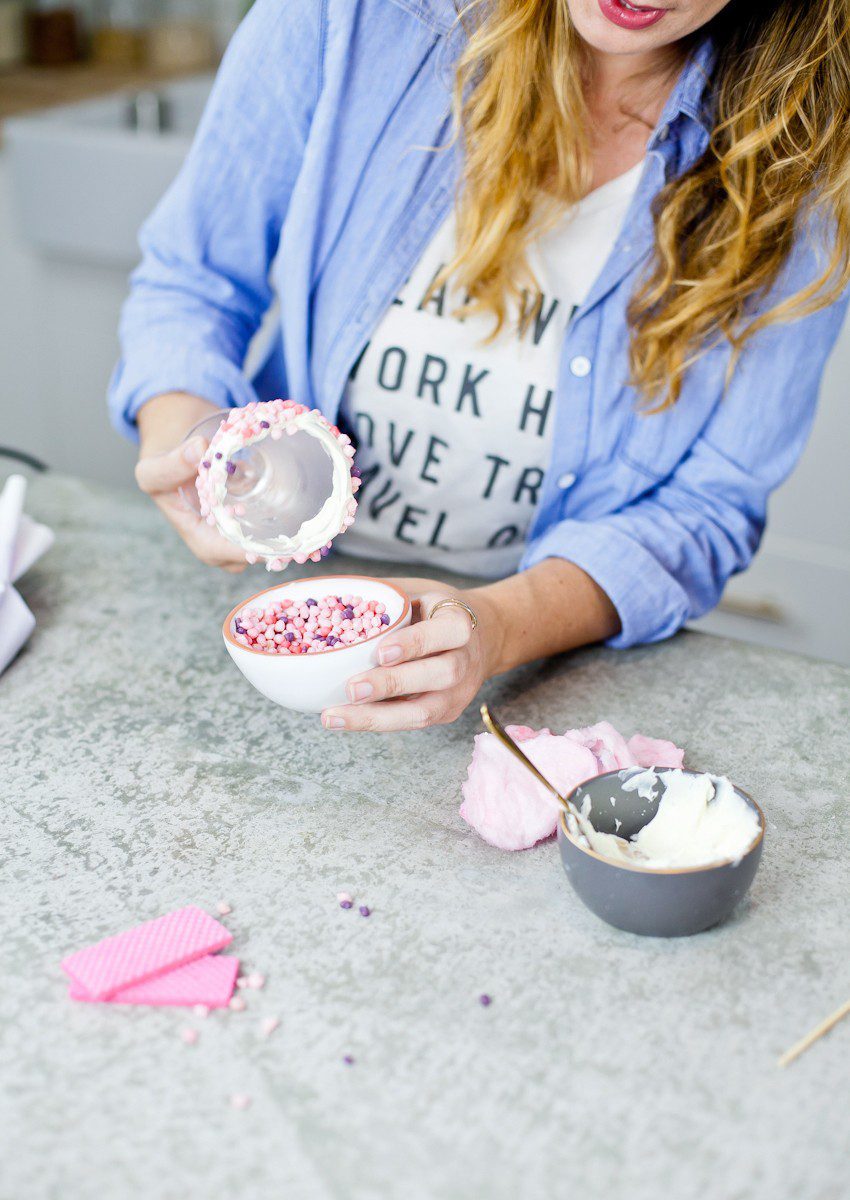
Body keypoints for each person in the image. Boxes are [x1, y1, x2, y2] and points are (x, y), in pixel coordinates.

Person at [112, 0, 850, 732]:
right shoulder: (360, 18)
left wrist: (498, 625)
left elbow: (707, 507)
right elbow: (193, 281)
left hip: (540, 651)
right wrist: (185, 438)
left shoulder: (800, 158)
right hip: (291, 592)